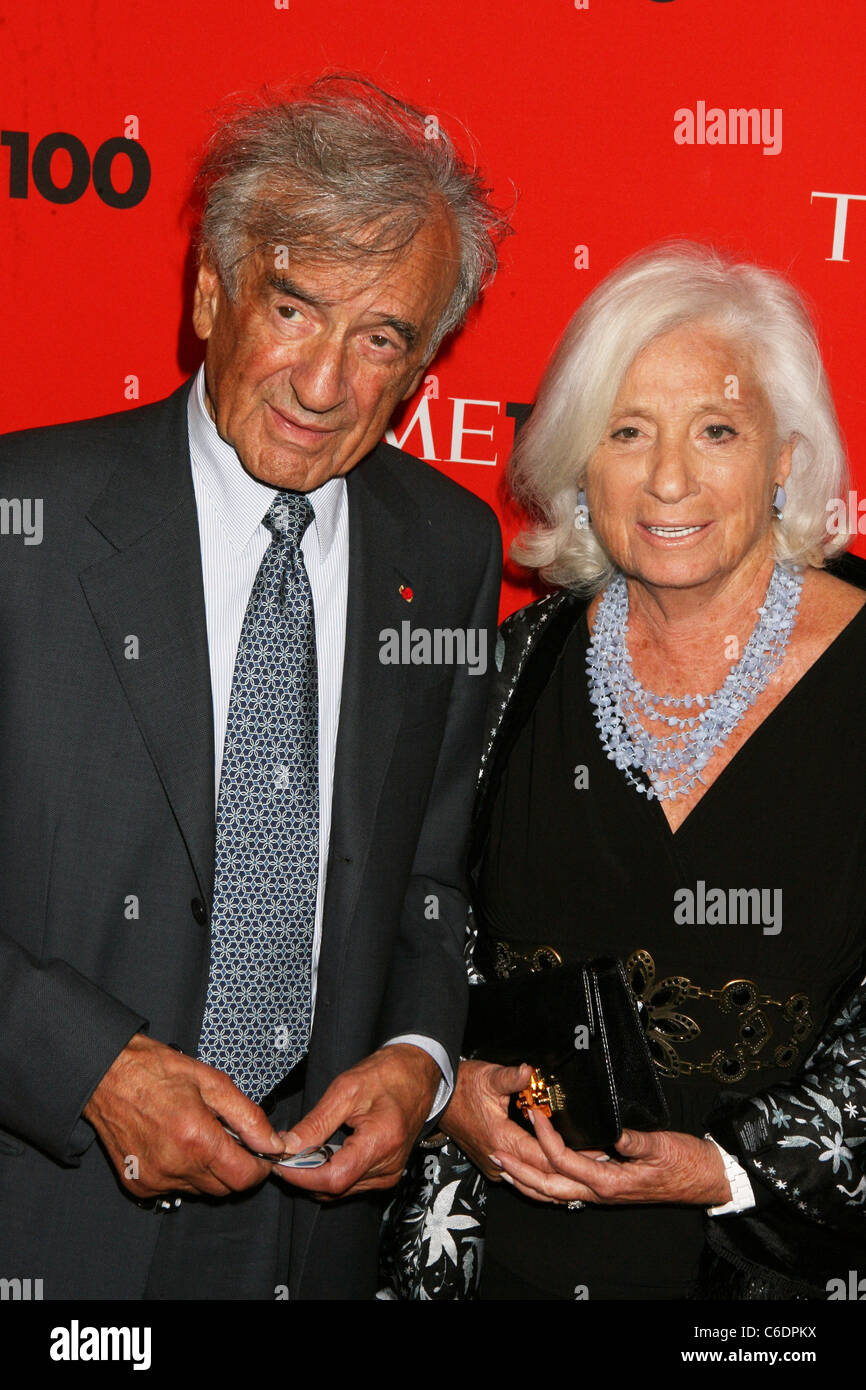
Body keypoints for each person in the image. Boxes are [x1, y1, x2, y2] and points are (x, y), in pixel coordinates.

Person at [0, 75, 507, 1300]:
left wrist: (415, 1058)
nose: (324, 383)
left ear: (421, 364)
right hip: (48, 1210)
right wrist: (87, 1066)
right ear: (210, 294)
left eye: (379, 337)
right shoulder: (27, 524)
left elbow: (432, 875)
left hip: (314, 1237)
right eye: (294, 307)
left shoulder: (447, 549)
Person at [382, 242, 866, 1300]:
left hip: (763, 1276)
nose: (667, 479)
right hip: (496, 1253)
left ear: (786, 458)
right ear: (573, 459)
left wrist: (729, 1169)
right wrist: (443, 1083)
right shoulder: (511, 668)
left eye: (716, 432)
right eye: (625, 431)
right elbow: (404, 921)